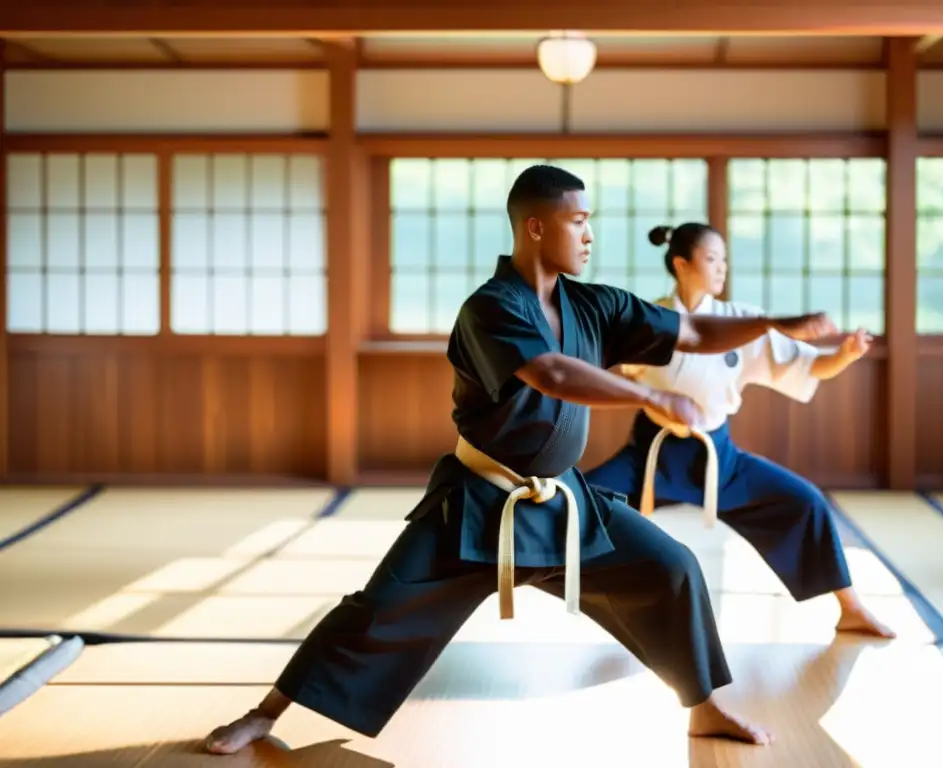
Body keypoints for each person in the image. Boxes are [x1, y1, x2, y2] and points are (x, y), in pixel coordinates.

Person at [204, 166, 840, 756]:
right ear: (535, 226)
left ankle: (703, 706)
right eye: (578, 220)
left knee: (671, 569)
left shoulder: (596, 305)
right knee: (380, 608)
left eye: (590, 220)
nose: (590, 234)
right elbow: (553, 372)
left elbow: (695, 333)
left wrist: (777, 323)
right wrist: (650, 394)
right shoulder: (491, 307)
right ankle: (266, 712)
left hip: (567, 504)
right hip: (480, 503)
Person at [584, 222, 895, 639]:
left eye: (724, 259)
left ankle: (851, 607)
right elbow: (620, 373)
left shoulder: (742, 323)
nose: (722, 268)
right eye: (712, 259)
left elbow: (808, 365)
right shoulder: (650, 317)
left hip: (718, 458)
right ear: (681, 264)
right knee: (581, 506)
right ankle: (603, 604)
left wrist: (846, 354)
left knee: (804, 502)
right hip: (649, 455)